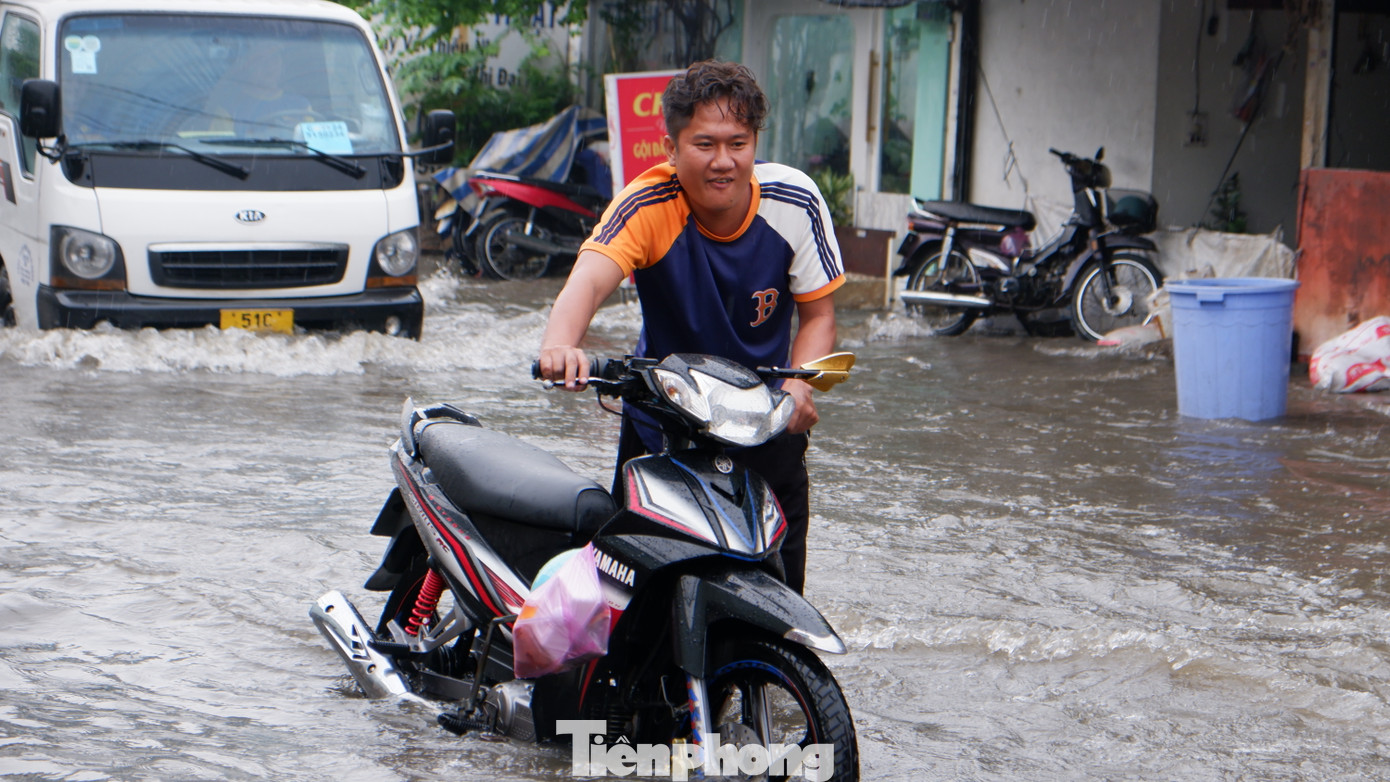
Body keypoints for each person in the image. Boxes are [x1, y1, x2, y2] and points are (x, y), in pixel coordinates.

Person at [536, 60, 844, 593]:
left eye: (738, 143)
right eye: (704, 144)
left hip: (765, 421)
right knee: (632, 597)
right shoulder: (646, 204)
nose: (723, 161)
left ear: (755, 144)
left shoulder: (796, 201)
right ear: (671, 149)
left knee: (781, 601)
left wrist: (800, 385)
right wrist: (561, 345)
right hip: (664, 420)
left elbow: (819, 316)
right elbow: (587, 281)